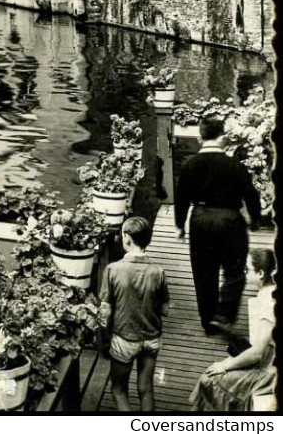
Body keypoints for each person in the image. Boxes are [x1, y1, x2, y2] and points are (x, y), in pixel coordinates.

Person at [174, 115, 261, 334]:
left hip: (200, 218)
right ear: (222, 137)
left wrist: (179, 225)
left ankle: (208, 322)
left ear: (200, 136)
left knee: (204, 271)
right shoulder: (235, 166)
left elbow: (182, 197)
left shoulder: (189, 165)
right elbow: (251, 195)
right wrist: (255, 219)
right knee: (235, 270)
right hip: (230, 219)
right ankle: (224, 314)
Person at [190, 248, 276, 411]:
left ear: (260, 273)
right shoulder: (270, 293)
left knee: (209, 379)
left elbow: (257, 353)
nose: (245, 273)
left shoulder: (268, 304)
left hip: (268, 373)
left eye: (247, 269)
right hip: (266, 363)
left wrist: (226, 365)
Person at [99, 215, 170, 413]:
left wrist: (104, 339)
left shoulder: (113, 270)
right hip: (152, 339)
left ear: (127, 238)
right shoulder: (158, 271)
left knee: (119, 390)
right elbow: (165, 310)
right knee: (146, 389)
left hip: (124, 339)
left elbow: (105, 311)